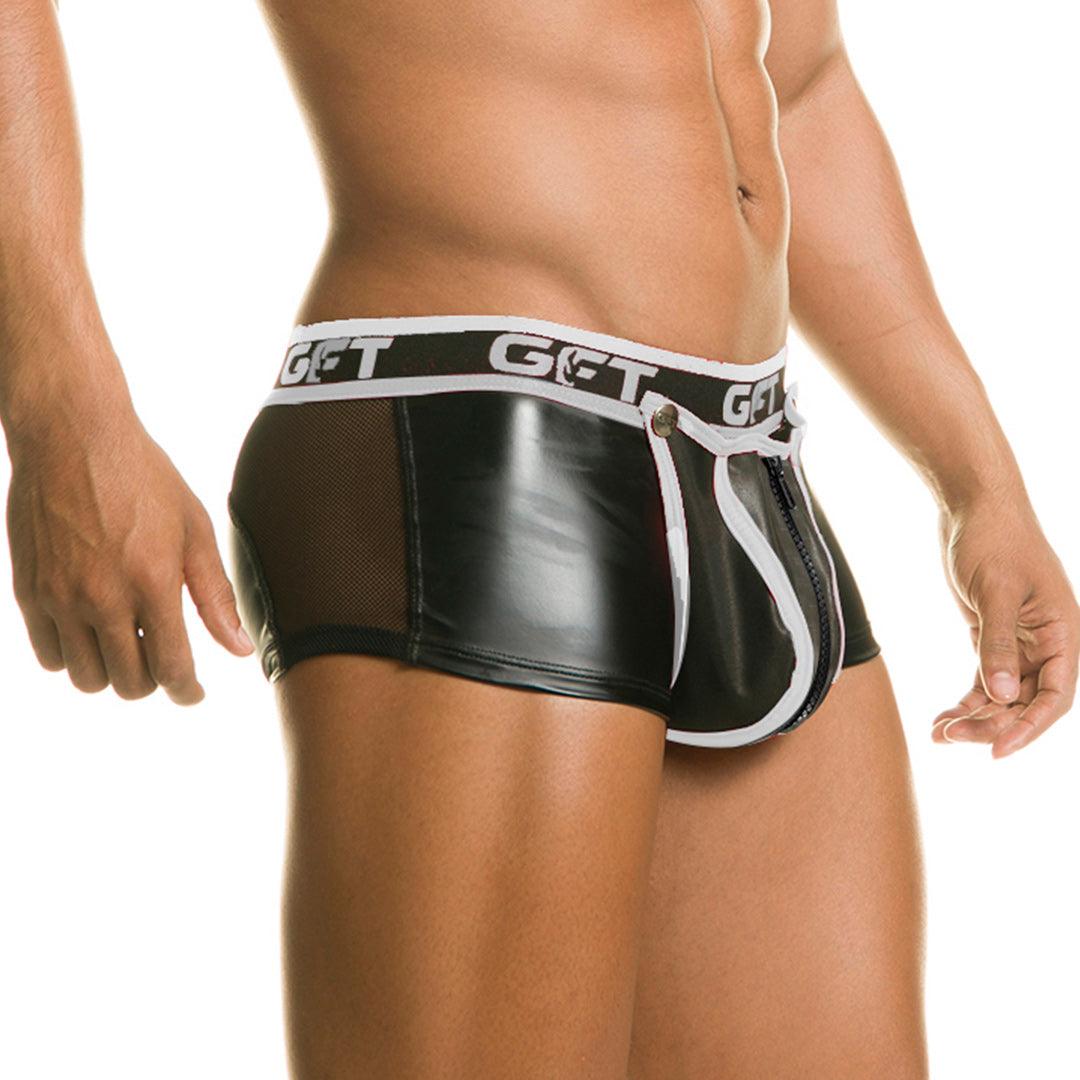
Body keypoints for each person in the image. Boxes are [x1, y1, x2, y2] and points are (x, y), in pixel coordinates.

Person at [1, 0, 1076, 1076]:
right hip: (468, 433)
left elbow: (798, 80)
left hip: (745, 468)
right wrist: (61, 405)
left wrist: (980, 481)